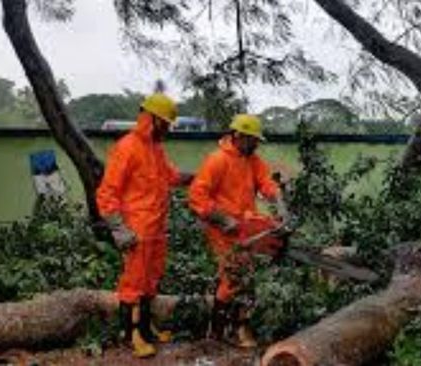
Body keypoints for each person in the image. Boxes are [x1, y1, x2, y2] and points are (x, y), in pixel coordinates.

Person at [96, 92, 191, 358]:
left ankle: (146, 328)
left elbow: (171, 176)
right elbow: (106, 192)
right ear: (152, 119)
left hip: (156, 228)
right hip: (136, 230)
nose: (168, 129)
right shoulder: (127, 147)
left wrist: (198, 177)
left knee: (150, 281)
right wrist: (118, 228)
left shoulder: (156, 149)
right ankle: (131, 333)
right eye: (165, 123)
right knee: (133, 283)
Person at [188, 114, 283, 348]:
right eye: (253, 140)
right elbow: (197, 197)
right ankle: (219, 333)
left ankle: (235, 328)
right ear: (239, 136)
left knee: (245, 277)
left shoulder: (252, 160)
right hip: (224, 228)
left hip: (246, 226)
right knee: (233, 277)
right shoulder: (217, 160)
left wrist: (278, 200)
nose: (256, 144)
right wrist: (221, 218)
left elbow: (266, 182)